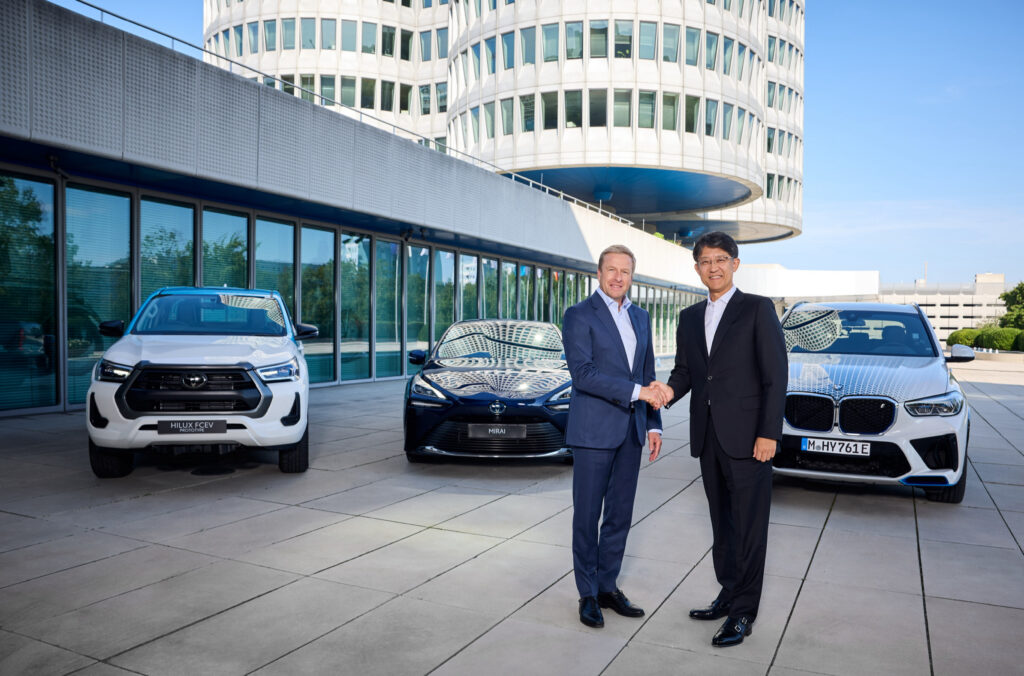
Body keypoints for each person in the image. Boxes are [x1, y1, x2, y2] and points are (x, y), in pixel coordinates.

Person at [653, 231, 787, 647]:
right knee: (722, 525)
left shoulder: (757, 309)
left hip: (750, 440)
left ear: (735, 263)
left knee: (749, 528)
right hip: (709, 439)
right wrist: (666, 393)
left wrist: (769, 433)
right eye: (705, 261)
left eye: (720, 260)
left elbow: (775, 376)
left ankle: (744, 613)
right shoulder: (689, 318)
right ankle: (728, 594)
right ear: (696, 268)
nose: (713, 267)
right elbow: (687, 372)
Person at [562, 244, 665, 629]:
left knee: (620, 515)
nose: (618, 277)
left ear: (631, 277)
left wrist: (653, 423)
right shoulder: (578, 315)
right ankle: (587, 593)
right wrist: (639, 393)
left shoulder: (641, 316)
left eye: (625, 271)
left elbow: (647, 369)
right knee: (587, 516)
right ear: (599, 273)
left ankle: (607, 587)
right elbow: (583, 374)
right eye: (611, 270)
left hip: (632, 431)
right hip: (593, 432)